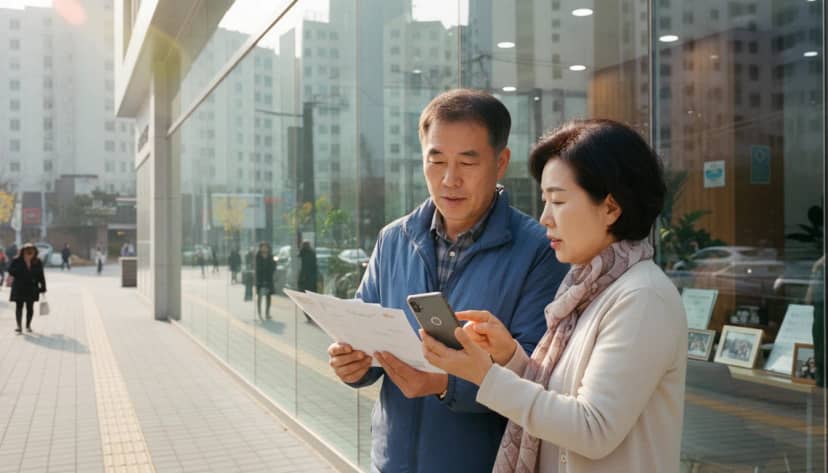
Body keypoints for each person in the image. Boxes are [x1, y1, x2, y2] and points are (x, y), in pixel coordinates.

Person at [421, 119, 687, 473]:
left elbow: (593, 428)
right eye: (544, 201)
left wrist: (486, 376)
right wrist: (510, 357)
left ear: (611, 208)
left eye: (558, 201)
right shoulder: (587, 288)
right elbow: (560, 397)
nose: (545, 217)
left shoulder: (643, 298)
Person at [326, 89, 567, 473]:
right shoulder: (394, 239)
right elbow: (365, 330)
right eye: (436, 161)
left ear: (501, 162)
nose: (449, 179)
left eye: (467, 162)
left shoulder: (538, 250)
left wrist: (443, 383)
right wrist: (354, 364)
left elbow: (538, 375)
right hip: (391, 462)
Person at [8, 243, 47, 334]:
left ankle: (28, 325)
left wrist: (43, 286)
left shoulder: (37, 261)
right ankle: (19, 326)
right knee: (19, 307)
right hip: (19, 287)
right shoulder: (17, 260)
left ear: (34, 253)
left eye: (31, 252)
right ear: (23, 252)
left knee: (30, 307)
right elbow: (10, 271)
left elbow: (41, 275)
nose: (29, 254)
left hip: (32, 287)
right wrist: (22, 266)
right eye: (27, 252)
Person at [255, 242, 276, 319]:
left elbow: (274, 266)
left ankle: (267, 313)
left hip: (268, 279)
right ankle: (259, 313)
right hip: (260, 279)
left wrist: (273, 265)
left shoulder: (271, 256)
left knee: (268, 297)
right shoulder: (258, 256)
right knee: (260, 296)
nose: (264, 248)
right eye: (263, 247)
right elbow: (256, 267)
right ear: (260, 248)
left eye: (266, 247)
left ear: (268, 248)